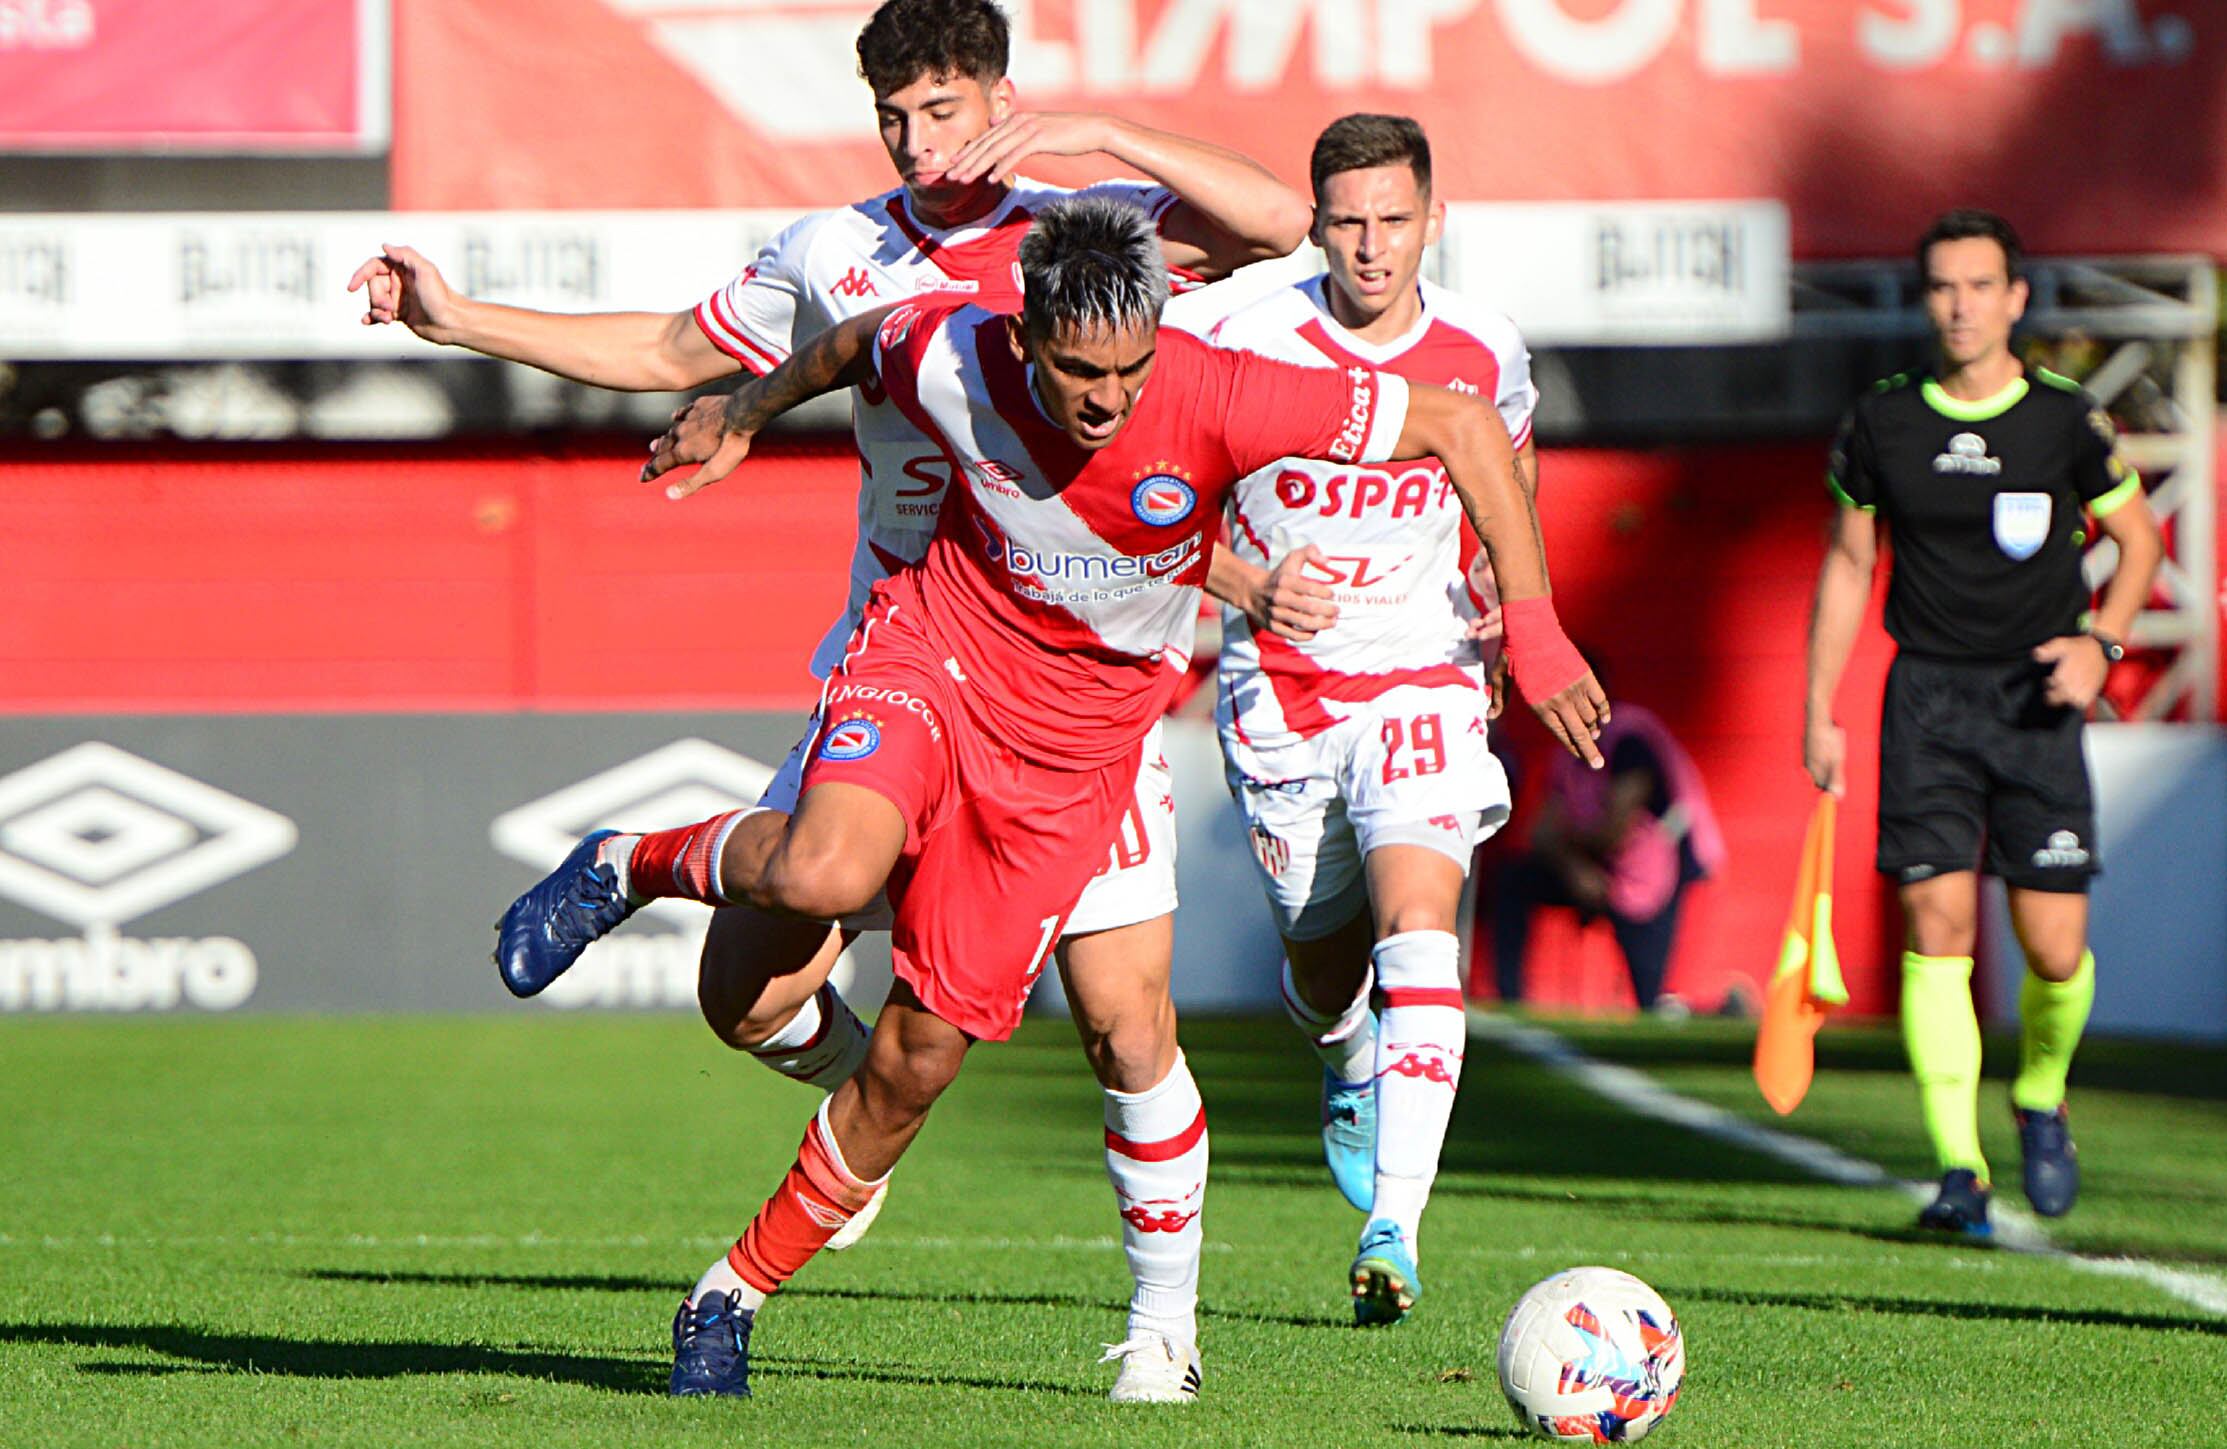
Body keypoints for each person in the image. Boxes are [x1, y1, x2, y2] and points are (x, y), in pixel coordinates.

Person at [350, 0, 1316, 1401]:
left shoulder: (1084, 236)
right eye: (895, 117)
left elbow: (1277, 221)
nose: (921, 143)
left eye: (945, 109)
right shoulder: (836, 252)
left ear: (997, 97)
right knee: (744, 992)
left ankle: (1160, 1329)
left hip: (1080, 705)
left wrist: (1099, 130)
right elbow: (683, 348)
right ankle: (856, 1101)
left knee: (1125, 1018)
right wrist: (457, 321)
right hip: (910, 654)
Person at [508, 196, 1606, 1399]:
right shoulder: (951, 348)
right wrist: (741, 410)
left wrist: (1537, 631)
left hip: (1085, 747)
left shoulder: (1221, 389)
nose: (1107, 400)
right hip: (933, 659)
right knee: (825, 873)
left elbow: (1458, 423)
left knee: (949, 1058)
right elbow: (850, 341)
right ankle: (625, 864)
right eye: (1080, 371)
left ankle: (739, 1299)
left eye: (1130, 369)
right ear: (1023, 335)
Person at [1201, 114, 1540, 1325]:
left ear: (1431, 220)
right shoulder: (1237, 333)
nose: (1370, 247)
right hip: (1278, 698)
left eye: (1393, 220)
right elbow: (1138, 493)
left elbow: (1510, 468)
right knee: (1322, 960)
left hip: (1423, 678)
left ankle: (1394, 1223)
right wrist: (1244, 584)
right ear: (1317, 223)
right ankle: (1344, 1059)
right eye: (1346, 221)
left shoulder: (1482, 348)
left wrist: (1511, 599)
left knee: (1420, 929)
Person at [1803, 208, 2163, 1237]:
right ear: (1926, 302)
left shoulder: (2064, 418)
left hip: (2036, 702)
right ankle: (1958, 1168)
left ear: (2014, 298)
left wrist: (2105, 644)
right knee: (1938, 927)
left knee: (2053, 950)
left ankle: (2040, 1095)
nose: (1959, 306)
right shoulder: (1881, 420)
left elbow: (2136, 541)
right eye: (1942, 288)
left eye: (1978, 286)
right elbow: (1846, 563)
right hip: (1925, 701)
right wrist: (1818, 710)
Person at [1491, 688, 1725, 1014]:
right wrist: (1573, 868)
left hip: (1653, 871)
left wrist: (1569, 847)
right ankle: (1510, 1001)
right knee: (1514, 879)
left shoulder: (1630, 740)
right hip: (1593, 868)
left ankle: (1713, 1010)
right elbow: (1540, 832)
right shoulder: (1566, 750)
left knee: (1650, 998)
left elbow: (1615, 829)